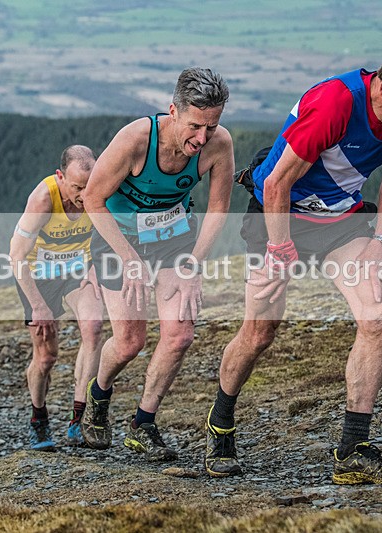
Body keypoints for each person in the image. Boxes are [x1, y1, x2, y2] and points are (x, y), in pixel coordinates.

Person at [205, 38, 382, 483]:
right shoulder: (334, 104)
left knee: (379, 314)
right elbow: (277, 183)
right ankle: (220, 420)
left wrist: (381, 240)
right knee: (260, 332)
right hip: (278, 215)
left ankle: (352, 450)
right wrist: (280, 252)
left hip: (340, 218)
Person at [81, 67, 234, 461]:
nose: (202, 139)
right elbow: (93, 200)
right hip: (120, 240)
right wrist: (129, 260)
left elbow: (218, 209)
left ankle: (142, 423)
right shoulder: (135, 139)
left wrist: (193, 265)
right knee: (130, 342)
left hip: (173, 240)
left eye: (211, 127)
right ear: (173, 111)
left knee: (180, 335)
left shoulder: (219, 145)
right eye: (195, 126)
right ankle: (99, 395)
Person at [9, 145, 105, 451]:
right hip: (38, 276)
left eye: (88, 187)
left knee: (93, 328)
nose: (83, 195)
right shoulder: (43, 199)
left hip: (77, 270)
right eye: (77, 187)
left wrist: (96, 270)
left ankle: (78, 421)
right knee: (46, 357)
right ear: (60, 176)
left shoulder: (98, 190)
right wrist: (38, 306)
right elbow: (16, 256)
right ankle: (38, 417)